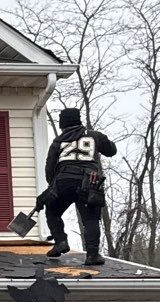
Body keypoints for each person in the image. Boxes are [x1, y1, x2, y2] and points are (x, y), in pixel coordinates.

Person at [37, 106, 117, 266]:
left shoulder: (58, 141)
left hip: (64, 180)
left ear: (62, 124)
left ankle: (60, 242)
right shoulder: (94, 136)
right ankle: (92, 255)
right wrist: (102, 141)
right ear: (78, 120)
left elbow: (49, 166)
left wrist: (52, 186)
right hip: (89, 181)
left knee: (52, 211)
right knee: (90, 219)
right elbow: (111, 151)